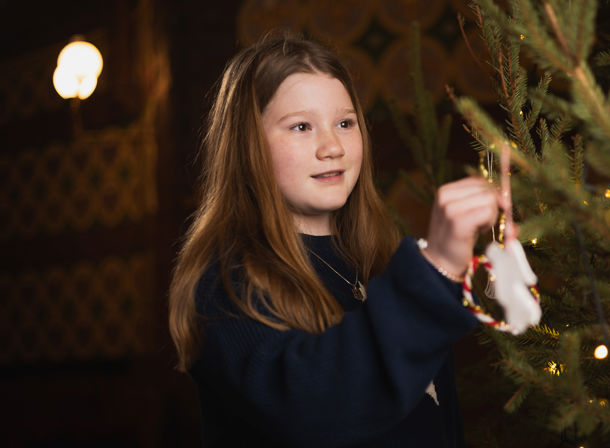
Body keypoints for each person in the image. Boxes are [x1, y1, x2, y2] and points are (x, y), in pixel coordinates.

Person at [168, 32, 502, 447]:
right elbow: (315, 410)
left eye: (345, 123)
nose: (332, 147)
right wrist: (434, 270)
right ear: (247, 145)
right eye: (302, 126)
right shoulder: (227, 285)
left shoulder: (380, 260)